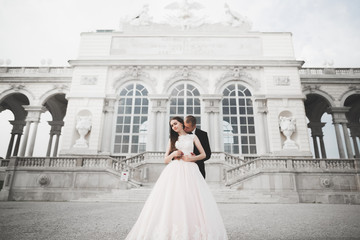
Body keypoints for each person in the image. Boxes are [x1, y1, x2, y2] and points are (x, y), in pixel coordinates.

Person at [125, 116, 228, 240]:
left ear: (181, 123)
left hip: (190, 169)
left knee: (191, 199)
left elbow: (204, 154)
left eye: (175, 123)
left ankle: (193, 230)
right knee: (174, 199)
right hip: (174, 170)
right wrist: (174, 154)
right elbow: (165, 160)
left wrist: (191, 159)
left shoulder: (193, 137)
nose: (173, 126)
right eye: (171, 125)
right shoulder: (173, 139)